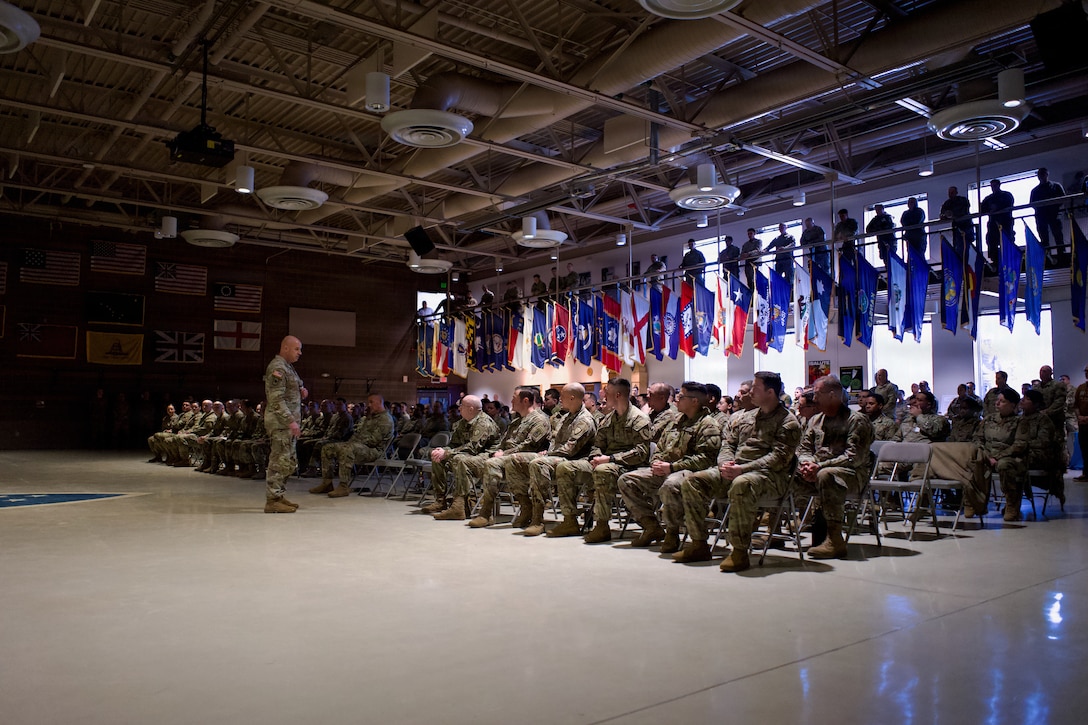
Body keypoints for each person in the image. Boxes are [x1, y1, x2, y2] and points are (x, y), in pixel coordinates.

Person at [675, 371, 802, 571]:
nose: (750, 392)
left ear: (770, 392)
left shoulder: (788, 422)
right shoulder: (743, 417)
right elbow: (728, 444)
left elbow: (779, 459)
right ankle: (699, 543)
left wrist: (742, 469)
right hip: (735, 470)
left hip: (770, 477)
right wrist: (726, 464)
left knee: (742, 484)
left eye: (755, 388)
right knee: (693, 481)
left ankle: (739, 552)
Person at [617, 381, 721, 553]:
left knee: (670, 485)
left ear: (694, 401)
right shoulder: (676, 421)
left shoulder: (708, 424)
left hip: (690, 472)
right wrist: (656, 462)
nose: (676, 401)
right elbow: (659, 446)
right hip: (666, 469)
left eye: (681, 397)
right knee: (627, 480)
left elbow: (706, 459)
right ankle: (651, 526)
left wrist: (672, 467)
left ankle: (672, 533)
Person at [553, 377, 651, 542]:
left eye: (607, 394)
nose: (604, 398)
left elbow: (641, 453)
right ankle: (569, 520)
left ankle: (602, 525)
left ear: (618, 395)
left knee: (602, 471)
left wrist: (610, 459)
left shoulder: (639, 419)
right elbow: (597, 444)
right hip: (605, 463)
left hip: (629, 466)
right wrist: (596, 457)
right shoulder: (608, 419)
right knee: (566, 467)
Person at [795, 375, 874, 559]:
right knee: (785, 473)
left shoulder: (856, 420)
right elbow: (804, 448)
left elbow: (853, 457)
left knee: (826, 475)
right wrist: (807, 464)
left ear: (832, 395)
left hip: (852, 475)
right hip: (817, 471)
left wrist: (818, 466)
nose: (814, 399)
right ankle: (771, 531)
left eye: (817, 394)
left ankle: (835, 540)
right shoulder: (815, 420)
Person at [519, 383, 597, 536]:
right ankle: (527, 508)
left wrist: (548, 456)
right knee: (521, 459)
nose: (560, 399)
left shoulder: (584, 420)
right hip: (561, 458)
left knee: (538, 463)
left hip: (579, 461)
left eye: (563, 397)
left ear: (572, 398)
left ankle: (541, 519)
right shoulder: (567, 417)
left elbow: (570, 449)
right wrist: (547, 452)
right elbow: (555, 441)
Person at [468, 387, 552, 529]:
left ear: (525, 401)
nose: (511, 400)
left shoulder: (540, 419)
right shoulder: (516, 421)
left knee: (493, 463)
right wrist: (497, 451)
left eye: (514, 397)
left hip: (528, 459)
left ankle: (487, 512)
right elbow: (504, 441)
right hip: (509, 457)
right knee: (479, 460)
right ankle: (521, 507)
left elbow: (530, 445)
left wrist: (504, 454)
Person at [424, 395, 501, 519]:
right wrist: (442, 451)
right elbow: (454, 444)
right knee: (438, 459)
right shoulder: (462, 423)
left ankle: (459, 506)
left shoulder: (484, 423)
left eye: (462, 406)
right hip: (466, 455)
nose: (459, 408)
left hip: (487, 457)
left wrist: (447, 453)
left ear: (471, 408)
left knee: (460, 460)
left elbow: (473, 448)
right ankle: (440, 500)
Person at [312, 394, 393, 499]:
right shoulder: (370, 417)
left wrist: (353, 443)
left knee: (347, 449)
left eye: (371, 402)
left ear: (379, 402)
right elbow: (358, 433)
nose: (369, 405)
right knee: (327, 448)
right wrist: (352, 442)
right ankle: (327, 483)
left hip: (374, 451)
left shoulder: (385, 419)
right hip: (360, 446)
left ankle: (343, 486)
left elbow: (373, 441)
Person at [263, 336, 306, 513]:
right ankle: (272, 500)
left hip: (287, 424)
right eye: (297, 349)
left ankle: (278, 495)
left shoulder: (288, 367)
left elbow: (294, 385)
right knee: (278, 461)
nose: (300, 353)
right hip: (281, 423)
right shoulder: (278, 367)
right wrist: (291, 421)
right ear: (285, 348)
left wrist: (301, 389)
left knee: (288, 462)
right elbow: (275, 399)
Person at [974, 388, 1024, 521]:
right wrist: (986, 456)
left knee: (1004, 465)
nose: (997, 404)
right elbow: (978, 439)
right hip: (987, 456)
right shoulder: (989, 419)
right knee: (973, 461)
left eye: (1002, 401)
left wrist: (997, 457)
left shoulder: (1019, 422)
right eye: (997, 400)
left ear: (1013, 405)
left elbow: (1019, 444)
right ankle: (974, 502)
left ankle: (1011, 504)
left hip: (1009, 457)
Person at [1030, 167, 1065, 255]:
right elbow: (1032, 204)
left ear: (1047, 174)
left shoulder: (1056, 186)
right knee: (1043, 236)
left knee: (1058, 235)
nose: (1041, 176)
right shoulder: (1035, 190)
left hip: (1055, 214)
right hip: (1041, 215)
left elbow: (1063, 199)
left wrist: (1054, 206)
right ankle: (1047, 255)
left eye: (1043, 174)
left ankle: (1061, 253)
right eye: (1039, 175)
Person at [980, 178, 1015, 265]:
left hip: (1005, 222)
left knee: (1006, 240)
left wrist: (997, 208)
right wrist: (990, 209)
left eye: (995, 186)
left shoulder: (1006, 195)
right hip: (993, 223)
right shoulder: (989, 198)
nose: (993, 188)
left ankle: (1008, 257)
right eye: (992, 186)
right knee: (991, 241)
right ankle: (995, 260)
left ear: (999, 185)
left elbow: (1009, 204)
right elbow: (982, 209)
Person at [939, 185, 974, 257]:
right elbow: (943, 213)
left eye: (952, 192)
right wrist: (945, 215)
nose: (950, 194)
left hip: (966, 226)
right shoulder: (948, 203)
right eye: (949, 193)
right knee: (957, 248)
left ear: (956, 192)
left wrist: (952, 214)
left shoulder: (963, 200)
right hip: (956, 228)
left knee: (966, 248)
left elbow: (964, 212)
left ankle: (967, 265)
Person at [1074, 364, 1088, 482]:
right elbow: (1076, 405)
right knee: (1084, 448)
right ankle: (1086, 473)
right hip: (1083, 425)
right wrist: (1080, 417)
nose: (1087, 373)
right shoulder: (1081, 387)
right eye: (1085, 371)